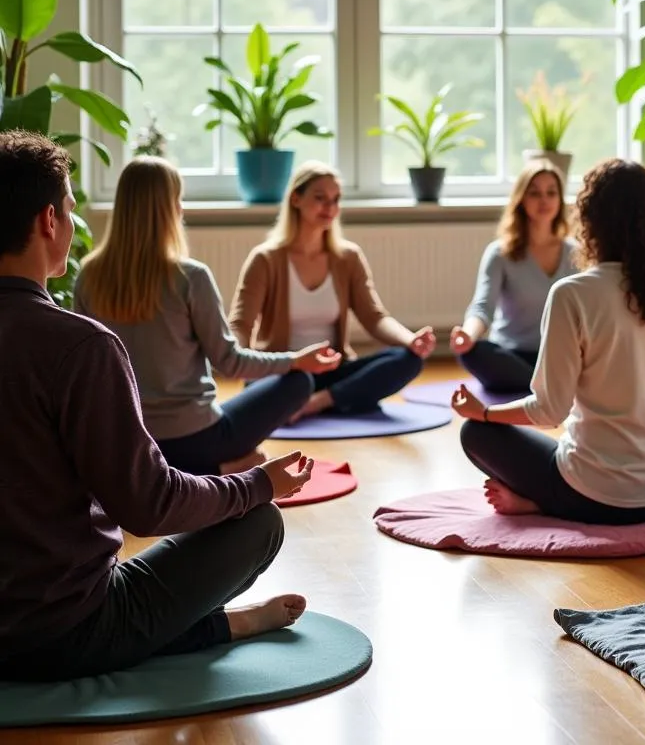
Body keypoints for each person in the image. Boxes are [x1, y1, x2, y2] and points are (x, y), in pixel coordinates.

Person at [0, 131, 315, 682]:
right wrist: (259, 485)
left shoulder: (90, 301)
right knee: (258, 524)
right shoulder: (81, 347)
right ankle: (223, 626)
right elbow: (148, 506)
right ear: (49, 221)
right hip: (64, 631)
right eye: (71, 210)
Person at [451, 159, 645, 525]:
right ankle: (545, 501)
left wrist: (484, 413)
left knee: (477, 432)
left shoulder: (573, 293)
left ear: (589, 220)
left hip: (598, 495)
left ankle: (543, 504)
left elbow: (550, 410)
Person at [74, 157, 342, 476]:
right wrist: (296, 360)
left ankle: (162, 471)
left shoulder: (89, 276)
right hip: (197, 438)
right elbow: (228, 362)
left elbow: (87, 368)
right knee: (298, 382)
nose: (182, 209)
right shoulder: (190, 277)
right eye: (178, 200)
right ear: (169, 209)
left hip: (128, 442)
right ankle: (212, 467)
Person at [230, 161, 435, 422]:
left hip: (332, 372)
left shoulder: (348, 257)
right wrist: (239, 361)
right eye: (320, 198)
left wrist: (410, 341)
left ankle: (316, 403)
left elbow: (374, 317)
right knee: (277, 387)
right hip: (285, 373)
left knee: (408, 360)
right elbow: (241, 323)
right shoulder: (265, 259)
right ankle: (341, 400)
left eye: (336, 199)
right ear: (296, 199)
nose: (330, 207)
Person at [450, 160, 576, 393]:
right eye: (535, 193)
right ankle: (546, 387)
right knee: (474, 353)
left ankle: (543, 386)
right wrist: (467, 336)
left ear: (560, 200)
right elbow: (482, 307)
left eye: (551, 192)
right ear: (521, 199)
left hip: (557, 357)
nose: (544, 200)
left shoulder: (575, 253)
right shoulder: (500, 253)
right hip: (511, 354)